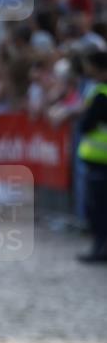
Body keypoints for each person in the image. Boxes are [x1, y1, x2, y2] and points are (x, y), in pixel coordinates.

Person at [75, 50, 107, 263]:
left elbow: (86, 125)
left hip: (100, 160)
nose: (88, 71)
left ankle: (100, 248)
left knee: (99, 209)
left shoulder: (101, 94)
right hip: (99, 160)